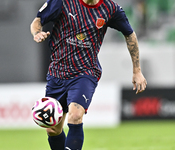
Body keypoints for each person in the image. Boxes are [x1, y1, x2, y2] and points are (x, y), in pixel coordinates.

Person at [30, 0, 147, 149]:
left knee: (75, 116)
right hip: (57, 73)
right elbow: (37, 21)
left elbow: (130, 35)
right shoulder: (62, 2)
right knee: (53, 129)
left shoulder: (110, 8)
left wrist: (137, 70)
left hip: (85, 72)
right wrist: (37, 33)